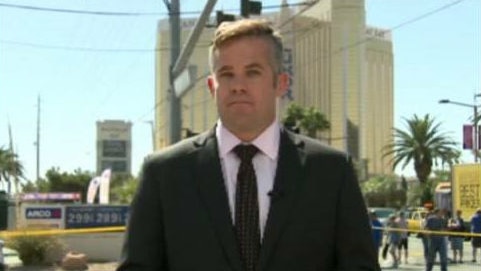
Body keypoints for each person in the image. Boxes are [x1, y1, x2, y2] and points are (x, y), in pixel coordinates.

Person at [117, 19, 380, 271]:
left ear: (281, 83)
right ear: (212, 86)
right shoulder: (164, 173)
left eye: (253, 72)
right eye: (227, 74)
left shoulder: (331, 171)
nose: (238, 86)